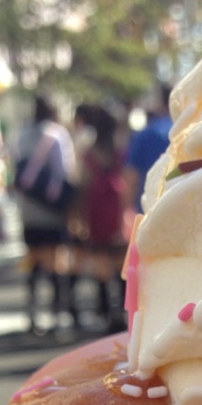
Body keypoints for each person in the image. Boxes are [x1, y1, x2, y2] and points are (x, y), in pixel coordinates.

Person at [13, 95, 77, 337]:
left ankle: (32, 313)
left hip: (28, 211)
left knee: (33, 262)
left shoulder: (22, 134)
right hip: (52, 211)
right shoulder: (57, 134)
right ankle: (58, 315)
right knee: (55, 264)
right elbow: (64, 171)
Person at [72, 104, 127, 333]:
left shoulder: (89, 153)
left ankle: (106, 311)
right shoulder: (122, 151)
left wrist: (79, 217)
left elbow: (82, 185)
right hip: (118, 210)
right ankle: (123, 310)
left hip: (96, 210)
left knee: (101, 260)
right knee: (121, 261)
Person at [122, 83, 172, 222]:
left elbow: (131, 175)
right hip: (182, 207)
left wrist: (127, 209)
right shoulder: (188, 133)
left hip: (148, 212)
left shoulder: (145, 134)